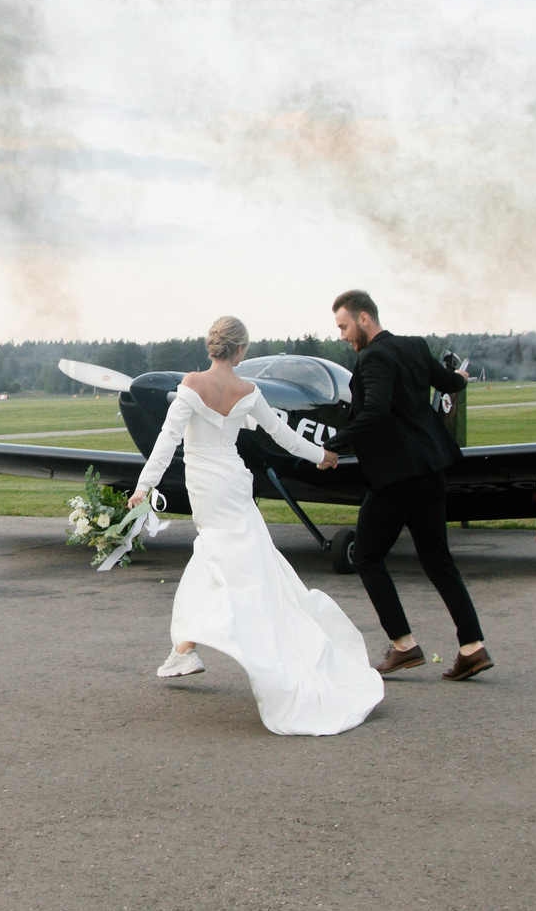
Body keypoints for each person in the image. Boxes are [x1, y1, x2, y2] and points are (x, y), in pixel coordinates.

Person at [133, 315, 386, 737]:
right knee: (242, 558)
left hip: (206, 484)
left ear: (211, 346)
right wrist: (320, 455)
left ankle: (193, 648)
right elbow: (282, 436)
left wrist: (144, 486)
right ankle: (186, 648)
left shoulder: (191, 385)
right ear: (241, 351)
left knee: (217, 557)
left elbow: (167, 441)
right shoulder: (249, 391)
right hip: (233, 481)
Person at [322, 289, 492, 682]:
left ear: (365, 319)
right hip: (432, 470)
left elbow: (376, 413)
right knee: (438, 561)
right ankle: (473, 648)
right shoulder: (415, 347)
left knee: (365, 555)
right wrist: (461, 378)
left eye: (344, 326)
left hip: (397, 477)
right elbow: (449, 383)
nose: (343, 335)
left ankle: (403, 645)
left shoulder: (374, 356)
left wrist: (331, 446)